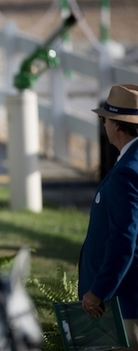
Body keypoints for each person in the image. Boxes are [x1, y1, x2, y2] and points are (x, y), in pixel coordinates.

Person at [79, 84, 138, 350]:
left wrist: (99, 290)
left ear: (116, 125)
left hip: (125, 302)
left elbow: (124, 239)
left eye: (104, 119)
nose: (103, 125)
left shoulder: (127, 172)